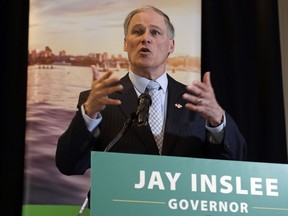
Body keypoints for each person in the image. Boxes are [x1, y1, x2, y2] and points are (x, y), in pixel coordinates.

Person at [56, 5, 246, 177]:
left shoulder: (197, 101)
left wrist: (218, 121)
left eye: (155, 32)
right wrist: (88, 115)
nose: (145, 38)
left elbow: (235, 164)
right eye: (137, 32)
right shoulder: (98, 100)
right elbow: (68, 165)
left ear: (171, 46)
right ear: (125, 43)